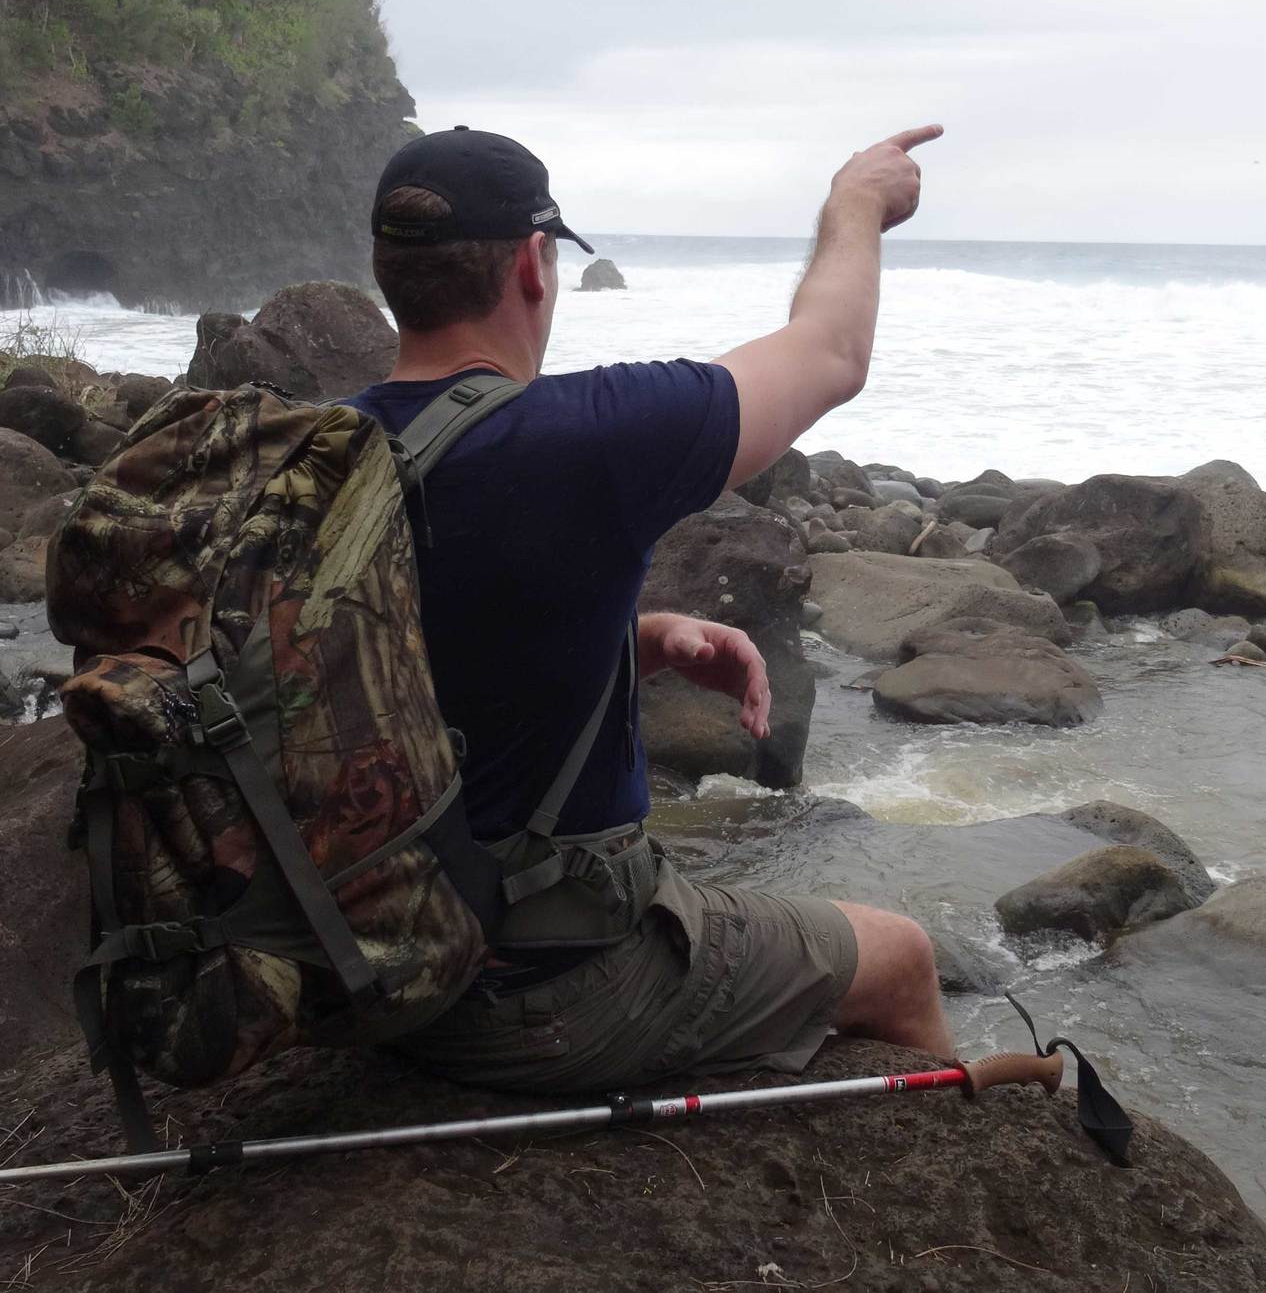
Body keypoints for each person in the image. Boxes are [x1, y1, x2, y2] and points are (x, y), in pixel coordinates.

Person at [345, 120, 954, 1094]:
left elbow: (399, 660)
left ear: (390, 276)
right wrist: (855, 204)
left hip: (363, 964)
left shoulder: (320, 460)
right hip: (543, 991)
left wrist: (640, 643)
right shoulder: (585, 436)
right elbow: (829, 352)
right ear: (534, 269)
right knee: (901, 957)